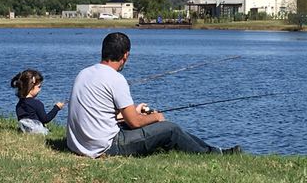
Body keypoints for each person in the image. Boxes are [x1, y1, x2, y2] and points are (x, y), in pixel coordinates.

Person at [66, 32, 241, 158]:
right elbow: (134, 122)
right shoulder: (116, 79)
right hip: (105, 146)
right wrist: (155, 117)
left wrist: (135, 110)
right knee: (170, 129)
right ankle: (214, 154)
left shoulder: (84, 73)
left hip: (77, 144)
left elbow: (99, 110)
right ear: (125, 55)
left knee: (159, 126)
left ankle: (210, 149)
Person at [11, 69, 65, 135]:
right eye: (39, 86)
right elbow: (45, 119)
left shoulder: (19, 104)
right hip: (37, 131)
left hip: (25, 131)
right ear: (30, 87)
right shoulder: (37, 103)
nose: (40, 89)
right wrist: (56, 108)